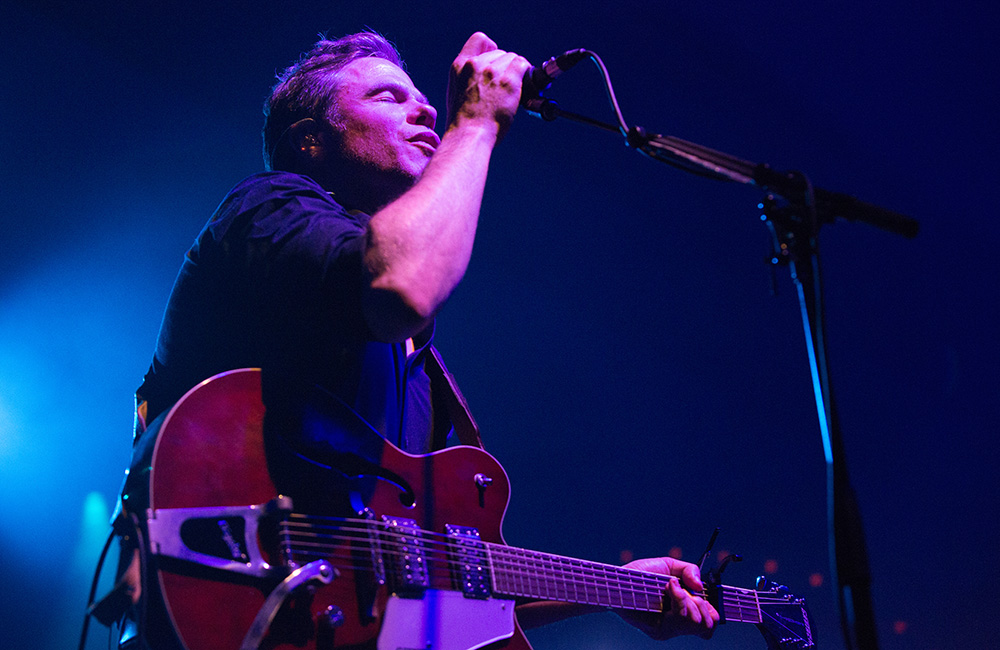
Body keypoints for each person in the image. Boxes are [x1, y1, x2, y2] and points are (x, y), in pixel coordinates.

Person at [119, 30, 718, 646]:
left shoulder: (419, 370)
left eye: (422, 99)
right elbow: (401, 286)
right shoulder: (269, 208)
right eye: (386, 96)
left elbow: (439, 585)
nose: (429, 108)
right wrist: (476, 125)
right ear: (311, 141)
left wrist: (616, 587)